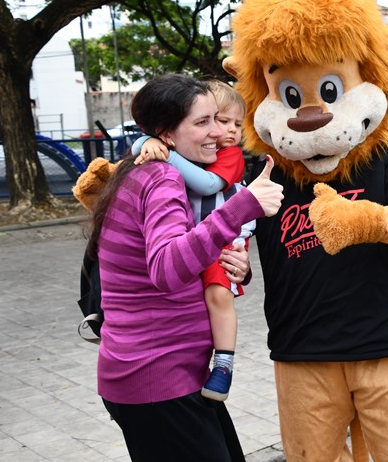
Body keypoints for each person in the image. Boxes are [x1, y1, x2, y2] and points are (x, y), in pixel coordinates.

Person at [223, 0, 388, 461]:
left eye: (329, 86)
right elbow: (221, 228)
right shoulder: (268, 173)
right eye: (293, 96)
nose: (311, 114)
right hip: (302, 354)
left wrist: (369, 220)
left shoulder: (382, 159)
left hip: (386, 347)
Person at [82, 73, 283, 462]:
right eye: (202, 122)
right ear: (166, 134)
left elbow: (186, 249)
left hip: (169, 378)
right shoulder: (161, 180)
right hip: (157, 379)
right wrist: (242, 206)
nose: (216, 132)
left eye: (219, 119)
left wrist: (234, 262)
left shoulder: (146, 171)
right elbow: (167, 268)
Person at [131, 79, 251, 401]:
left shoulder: (229, 155)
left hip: (222, 237)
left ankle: (224, 362)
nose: (226, 131)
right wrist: (144, 142)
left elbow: (209, 184)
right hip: (195, 237)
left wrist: (164, 152)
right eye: (215, 120)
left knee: (217, 295)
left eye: (235, 124)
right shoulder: (171, 164)